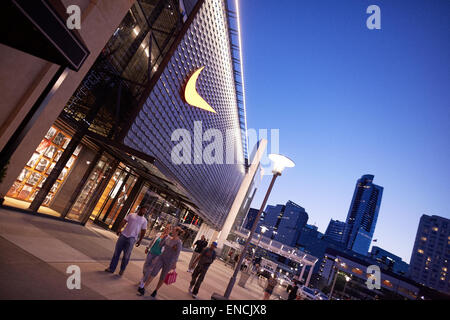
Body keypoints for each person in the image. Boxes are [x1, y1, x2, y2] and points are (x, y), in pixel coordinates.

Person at [137, 226, 184, 298]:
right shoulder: (168, 238)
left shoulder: (179, 242)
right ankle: (144, 288)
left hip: (169, 261)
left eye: (174, 230)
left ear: (177, 232)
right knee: (153, 272)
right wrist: (164, 238)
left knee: (163, 276)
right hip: (161, 258)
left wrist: (174, 263)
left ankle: (155, 290)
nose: (172, 231)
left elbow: (177, 254)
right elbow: (160, 245)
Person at [104, 205, 149, 275]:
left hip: (132, 238)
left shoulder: (144, 221)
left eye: (145, 211)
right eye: (143, 210)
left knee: (126, 255)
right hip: (123, 235)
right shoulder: (131, 215)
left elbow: (143, 231)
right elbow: (124, 221)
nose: (144, 212)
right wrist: (119, 229)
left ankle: (122, 269)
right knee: (116, 253)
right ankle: (111, 268)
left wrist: (140, 240)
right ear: (140, 209)